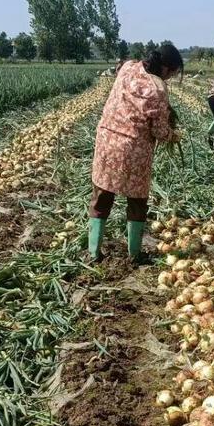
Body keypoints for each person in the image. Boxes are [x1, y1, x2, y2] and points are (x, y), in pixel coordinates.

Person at [88, 44, 183, 263]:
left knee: (102, 196)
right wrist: (173, 135)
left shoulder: (128, 67)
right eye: (174, 73)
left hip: (106, 142)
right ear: (167, 69)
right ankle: (134, 255)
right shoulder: (158, 88)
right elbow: (159, 131)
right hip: (133, 149)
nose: (172, 77)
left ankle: (93, 253)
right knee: (137, 201)